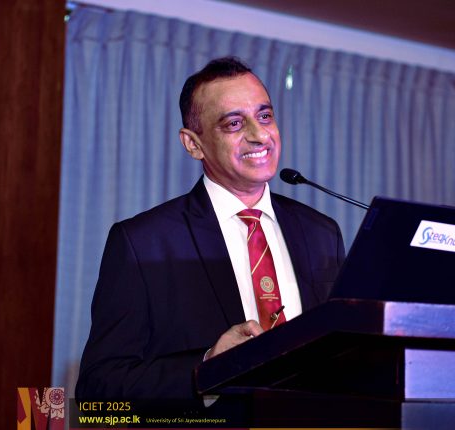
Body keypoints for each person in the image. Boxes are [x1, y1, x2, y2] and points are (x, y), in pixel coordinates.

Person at [75, 57, 345, 399]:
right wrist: (207, 367)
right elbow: (97, 391)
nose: (259, 135)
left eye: (265, 116)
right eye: (234, 123)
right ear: (193, 144)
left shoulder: (322, 233)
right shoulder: (143, 243)